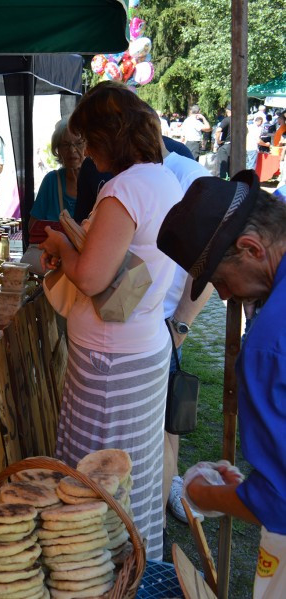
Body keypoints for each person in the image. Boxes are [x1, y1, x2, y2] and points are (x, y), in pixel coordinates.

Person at [39, 81, 182, 561]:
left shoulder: (124, 189)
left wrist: (61, 246)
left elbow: (93, 277)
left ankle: (100, 573)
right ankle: (134, 564)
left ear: (107, 136)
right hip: (140, 348)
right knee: (131, 471)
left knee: (97, 478)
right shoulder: (162, 179)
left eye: (87, 140)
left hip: (109, 363)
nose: (84, 152)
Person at [158, 170, 286, 599]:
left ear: (251, 248)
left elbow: (279, 502)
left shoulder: (270, 343)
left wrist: (203, 494)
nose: (225, 297)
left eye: (219, 282)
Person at [155, 137, 215, 525]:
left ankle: (167, 488)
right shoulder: (152, 173)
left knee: (167, 415)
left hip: (166, 319)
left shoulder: (188, 176)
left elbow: (210, 262)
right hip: (149, 319)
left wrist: (181, 325)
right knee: (164, 415)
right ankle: (169, 484)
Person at [31, 119, 83, 221]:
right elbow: (33, 227)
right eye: (65, 145)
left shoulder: (97, 180)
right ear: (58, 150)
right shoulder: (51, 181)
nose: (72, 150)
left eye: (79, 143)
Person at [216, 104, 233, 178]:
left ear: (227, 111)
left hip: (225, 145)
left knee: (222, 165)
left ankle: (222, 181)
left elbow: (218, 130)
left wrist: (218, 140)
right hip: (235, 146)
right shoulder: (240, 120)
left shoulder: (227, 120)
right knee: (231, 166)